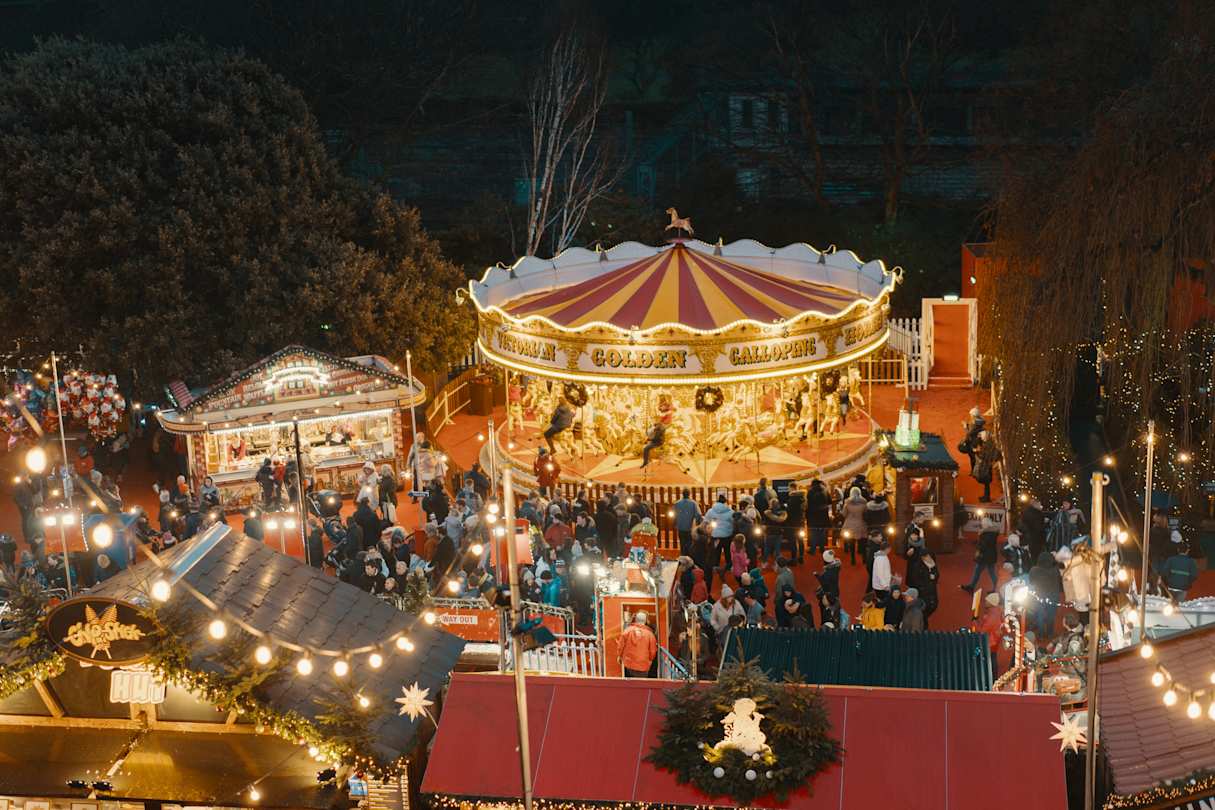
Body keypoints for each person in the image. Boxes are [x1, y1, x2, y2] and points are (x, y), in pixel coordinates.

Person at [1027, 551, 1063, 638]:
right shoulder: (1055, 570)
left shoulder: (1034, 570)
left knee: (1040, 615)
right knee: (1051, 615)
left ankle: (1041, 634)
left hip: (1039, 595)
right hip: (1053, 595)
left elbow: (1031, 582)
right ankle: (1050, 633)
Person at [961, 515, 1000, 594]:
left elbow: (984, 545)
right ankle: (997, 588)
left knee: (978, 571)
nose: (982, 524)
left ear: (986, 524)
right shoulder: (992, 532)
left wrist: (976, 544)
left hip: (985, 556)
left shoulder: (987, 533)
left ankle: (971, 587)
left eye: (983, 523)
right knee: (991, 572)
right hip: (990, 555)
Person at [905, 548, 939, 626]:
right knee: (924, 608)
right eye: (927, 557)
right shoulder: (918, 566)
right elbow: (916, 579)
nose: (929, 558)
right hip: (923, 591)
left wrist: (935, 577)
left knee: (934, 606)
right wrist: (928, 578)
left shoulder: (933, 563)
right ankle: (923, 623)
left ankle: (923, 619)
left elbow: (937, 574)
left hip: (932, 590)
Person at [1161, 532, 1200, 601]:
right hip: (1183, 588)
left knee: (1170, 605)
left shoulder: (1171, 559)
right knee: (1180, 606)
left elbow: (1164, 572)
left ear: (1178, 550)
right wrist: (1188, 583)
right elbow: (1194, 575)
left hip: (1171, 586)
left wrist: (1169, 581)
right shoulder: (1191, 561)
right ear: (1187, 551)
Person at [619, 612, 658, 677]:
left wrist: (620, 656)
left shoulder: (627, 631)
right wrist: (649, 661)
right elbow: (653, 652)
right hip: (643, 666)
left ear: (636, 619)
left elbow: (620, 646)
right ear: (646, 621)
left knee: (629, 684)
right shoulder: (650, 635)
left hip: (629, 665)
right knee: (641, 685)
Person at [839, 487, 868, 564]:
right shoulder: (864, 502)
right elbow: (866, 513)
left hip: (850, 524)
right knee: (862, 543)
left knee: (851, 543)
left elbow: (844, 514)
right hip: (861, 524)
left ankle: (853, 559)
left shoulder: (847, 503)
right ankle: (864, 559)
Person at [805, 479, 831, 561]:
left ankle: (812, 549)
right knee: (822, 532)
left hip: (813, 516)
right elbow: (829, 502)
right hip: (823, 515)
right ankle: (822, 548)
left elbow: (807, 505)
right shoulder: (825, 491)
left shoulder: (810, 492)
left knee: (813, 533)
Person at [978, 592, 1005, 671]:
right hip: (994, 641)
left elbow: (982, 632)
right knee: (993, 658)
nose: (985, 602)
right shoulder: (998, 611)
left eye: (987, 601)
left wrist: (974, 622)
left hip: (989, 643)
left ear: (991, 603)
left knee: (989, 660)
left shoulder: (991, 617)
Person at [673, 488, 701, 557]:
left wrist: (675, 524)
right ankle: (688, 558)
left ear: (682, 494)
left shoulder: (677, 503)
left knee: (682, 544)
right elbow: (698, 515)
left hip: (680, 527)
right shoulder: (693, 503)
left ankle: (683, 557)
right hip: (689, 527)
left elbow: (674, 515)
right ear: (689, 494)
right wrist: (697, 524)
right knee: (689, 544)